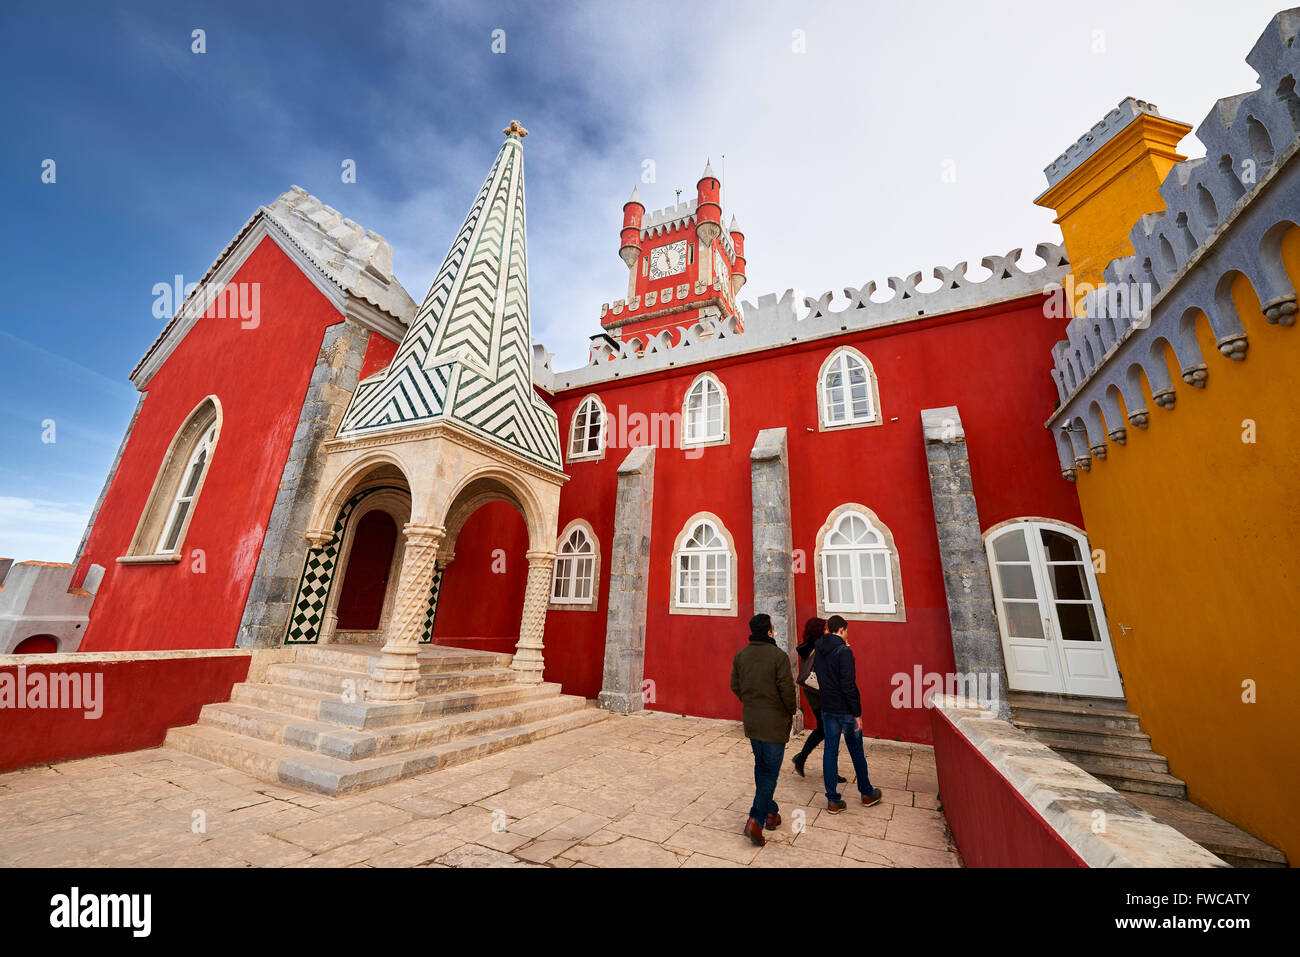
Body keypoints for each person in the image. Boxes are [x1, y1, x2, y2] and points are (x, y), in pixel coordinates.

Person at [730, 612, 797, 846]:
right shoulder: (779, 657)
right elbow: (787, 692)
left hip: (752, 722)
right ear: (769, 631)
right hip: (774, 723)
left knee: (762, 767)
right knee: (769, 772)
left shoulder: (741, 656)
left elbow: (735, 686)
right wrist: (790, 711)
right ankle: (755, 820)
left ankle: (771, 813)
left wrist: (751, 702)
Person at [812, 615, 883, 813]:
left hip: (827, 707)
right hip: (845, 709)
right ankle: (867, 793)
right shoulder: (844, 652)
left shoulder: (819, 647)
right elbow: (848, 684)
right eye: (846, 631)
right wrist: (857, 713)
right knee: (856, 751)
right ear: (842, 629)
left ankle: (833, 800)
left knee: (830, 752)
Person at [791, 616, 845, 782]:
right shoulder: (822, 646)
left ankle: (801, 758)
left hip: (812, 692)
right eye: (825, 628)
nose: (828, 630)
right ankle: (827, 771)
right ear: (820, 630)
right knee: (830, 731)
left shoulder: (810, 645)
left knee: (823, 729)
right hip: (821, 693)